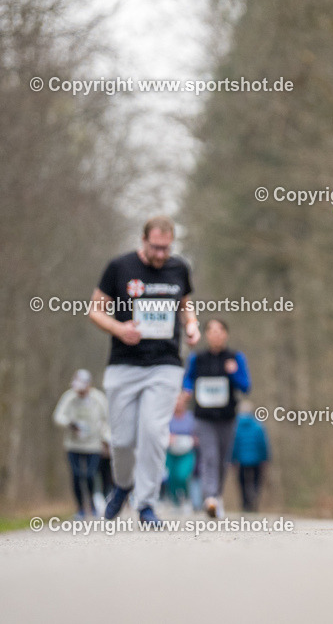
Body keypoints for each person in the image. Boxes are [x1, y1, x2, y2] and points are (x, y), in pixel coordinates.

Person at [88, 216, 200, 526]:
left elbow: (185, 304)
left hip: (164, 365)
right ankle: (123, 485)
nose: (161, 254)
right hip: (124, 364)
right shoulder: (119, 267)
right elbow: (94, 310)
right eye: (156, 247)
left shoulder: (179, 269)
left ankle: (147, 504)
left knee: (153, 432)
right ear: (143, 240)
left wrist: (192, 326)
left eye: (166, 248)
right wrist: (119, 328)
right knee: (122, 440)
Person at [178, 318, 250, 518]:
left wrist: (233, 373)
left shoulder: (236, 358)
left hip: (227, 417)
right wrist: (187, 391)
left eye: (220, 331)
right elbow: (188, 380)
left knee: (222, 459)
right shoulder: (197, 358)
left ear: (225, 334)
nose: (216, 335)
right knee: (209, 455)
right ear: (207, 335)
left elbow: (246, 386)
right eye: (211, 331)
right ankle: (209, 496)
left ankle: (216, 496)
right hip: (204, 417)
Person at [52, 369, 110, 518]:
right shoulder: (69, 397)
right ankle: (81, 508)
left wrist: (106, 440)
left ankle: (91, 504)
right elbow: (58, 416)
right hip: (73, 444)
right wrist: (70, 424)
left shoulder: (98, 398)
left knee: (90, 475)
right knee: (77, 476)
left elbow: (107, 420)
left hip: (93, 445)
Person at [231, 400, 270, 512]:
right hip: (256, 459)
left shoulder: (235, 426)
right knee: (256, 480)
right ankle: (254, 496)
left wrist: (233, 459)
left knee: (242, 481)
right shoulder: (258, 425)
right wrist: (265, 458)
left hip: (241, 460)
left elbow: (234, 445)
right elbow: (263, 443)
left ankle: (245, 502)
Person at [165, 398, 197, 513]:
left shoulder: (190, 417)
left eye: (180, 404)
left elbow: (197, 433)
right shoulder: (167, 417)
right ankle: (175, 501)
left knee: (182, 475)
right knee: (172, 477)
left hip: (186, 452)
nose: (178, 406)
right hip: (171, 451)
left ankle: (186, 498)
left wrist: (193, 439)